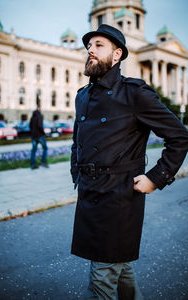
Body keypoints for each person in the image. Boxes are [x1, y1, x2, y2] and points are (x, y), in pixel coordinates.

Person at [70, 24, 188, 299]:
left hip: (119, 197)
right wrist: (77, 170)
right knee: (117, 267)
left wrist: (155, 178)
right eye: (89, 45)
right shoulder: (82, 96)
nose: (90, 49)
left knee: (101, 276)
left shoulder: (135, 93)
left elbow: (180, 137)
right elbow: (78, 138)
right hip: (89, 194)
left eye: (99, 45)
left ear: (117, 54)